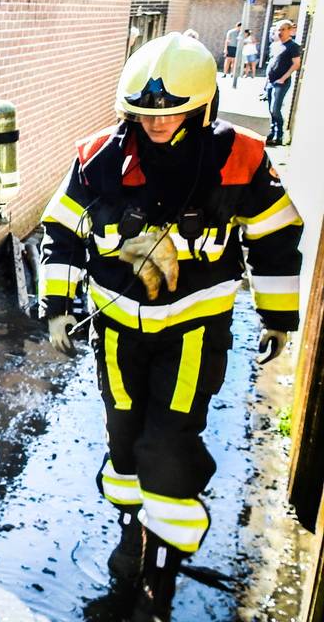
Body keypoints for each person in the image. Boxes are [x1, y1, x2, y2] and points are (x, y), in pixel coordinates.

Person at [40, 31, 302, 621]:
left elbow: (277, 238)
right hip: (116, 329)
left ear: (202, 104)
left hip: (193, 328)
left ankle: (164, 568)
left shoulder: (241, 158)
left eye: (172, 111)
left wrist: (278, 317)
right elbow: (59, 230)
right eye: (144, 114)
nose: (157, 124)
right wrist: (56, 305)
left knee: (170, 443)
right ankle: (132, 532)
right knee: (124, 436)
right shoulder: (98, 156)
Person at [265, 19, 302, 145]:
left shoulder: (293, 46)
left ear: (290, 31)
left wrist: (283, 78)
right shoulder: (276, 45)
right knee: (271, 110)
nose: (280, 32)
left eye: (283, 29)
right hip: (271, 82)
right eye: (278, 29)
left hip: (281, 83)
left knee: (275, 109)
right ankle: (272, 132)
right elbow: (271, 63)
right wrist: (266, 83)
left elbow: (296, 64)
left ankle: (279, 135)